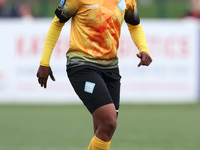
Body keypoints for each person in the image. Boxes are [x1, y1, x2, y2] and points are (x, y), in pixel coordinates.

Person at [36, 0, 152, 150]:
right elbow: (57, 23)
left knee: (104, 128)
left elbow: (134, 25)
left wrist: (144, 48)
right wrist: (44, 62)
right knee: (109, 122)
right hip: (81, 66)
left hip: (110, 69)